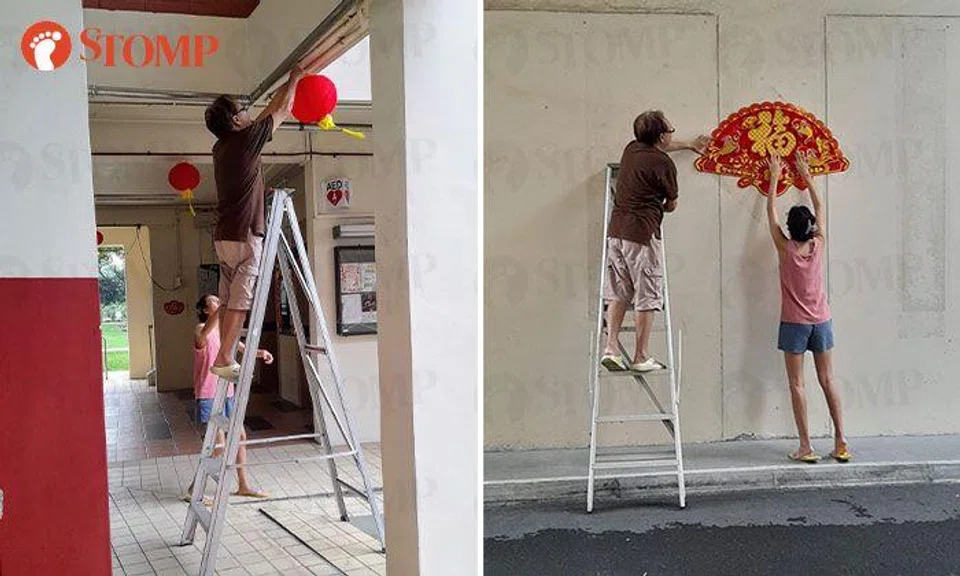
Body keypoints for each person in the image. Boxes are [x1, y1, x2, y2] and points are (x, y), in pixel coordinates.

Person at [204, 63, 305, 381]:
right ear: (236, 121)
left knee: (230, 298)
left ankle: (225, 353)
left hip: (224, 236)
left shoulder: (222, 147)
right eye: (244, 109)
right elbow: (284, 108)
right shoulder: (246, 140)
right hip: (245, 234)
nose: (250, 112)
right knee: (241, 301)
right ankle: (223, 357)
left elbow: (268, 113)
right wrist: (296, 78)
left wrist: (289, 81)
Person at [600, 110, 709, 372]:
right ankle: (640, 356)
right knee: (647, 294)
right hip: (642, 235)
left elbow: (662, 148)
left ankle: (611, 349)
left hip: (616, 233)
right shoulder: (664, 165)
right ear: (661, 136)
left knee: (618, 291)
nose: (673, 133)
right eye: (671, 130)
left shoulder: (631, 149)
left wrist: (689, 144)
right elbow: (671, 205)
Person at [765, 152, 851, 463]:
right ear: (811, 228)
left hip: (794, 324)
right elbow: (821, 208)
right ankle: (841, 441)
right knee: (828, 380)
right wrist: (807, 175)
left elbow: (771, 212)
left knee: (797, 384)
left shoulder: (784, 248)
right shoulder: (819, 244)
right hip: (822, 321)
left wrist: (775, 176)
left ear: (790, 229)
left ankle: (806, 446)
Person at [185, 293, 273, 501]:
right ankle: (193, 490)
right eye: (213, 302)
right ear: (206, 310)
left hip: (227, 392)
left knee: (240, 437)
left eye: (218, 300)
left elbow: (242, 348)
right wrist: (224, 307)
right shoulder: (200, 329)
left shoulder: (225, 332)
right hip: (209, 394)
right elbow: (204, 335)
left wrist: (262, 353)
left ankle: (243, 485)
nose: (218, 303)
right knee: (218, 447)